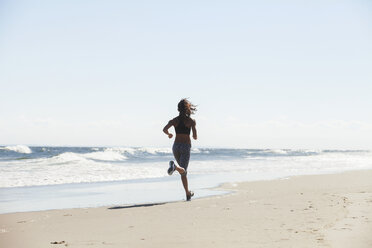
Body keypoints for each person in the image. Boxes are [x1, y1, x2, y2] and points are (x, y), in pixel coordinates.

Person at [163, 98, 197, 201]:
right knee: (183, 170)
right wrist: (194, 134)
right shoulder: (191, 121)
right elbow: (195, 136)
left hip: (176, 146)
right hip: (185, 146)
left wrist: (169, 134)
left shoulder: (174, 120)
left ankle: (187, 193)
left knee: (183, 172)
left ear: (178, 109)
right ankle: (174, 167)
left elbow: (164, 129)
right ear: (187, 109)